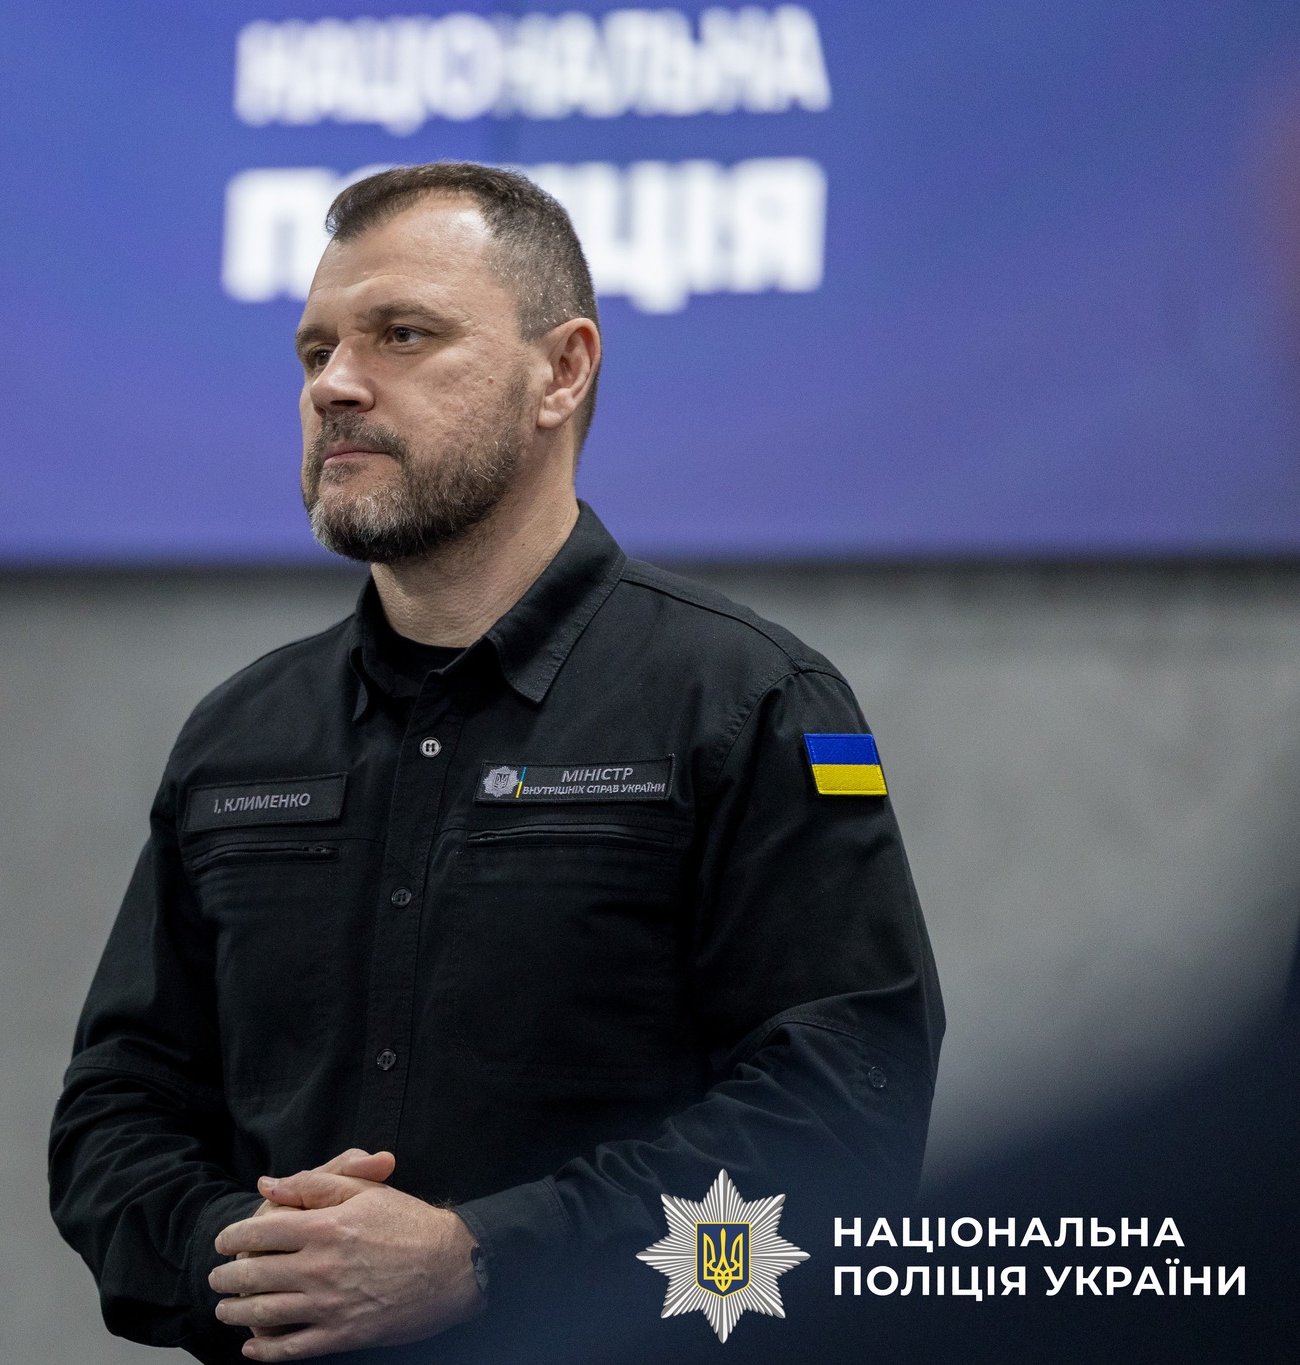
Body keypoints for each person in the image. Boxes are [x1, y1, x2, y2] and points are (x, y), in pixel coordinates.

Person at [49, 162, 943, 1363]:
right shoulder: (239, 734)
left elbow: (844, 1128)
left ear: (560, 371)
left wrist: (490, 1262)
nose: (334, 385)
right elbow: (114, 1112)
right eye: (314, 351)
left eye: (401, 335)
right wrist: (244, 1256)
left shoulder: (745, 703)